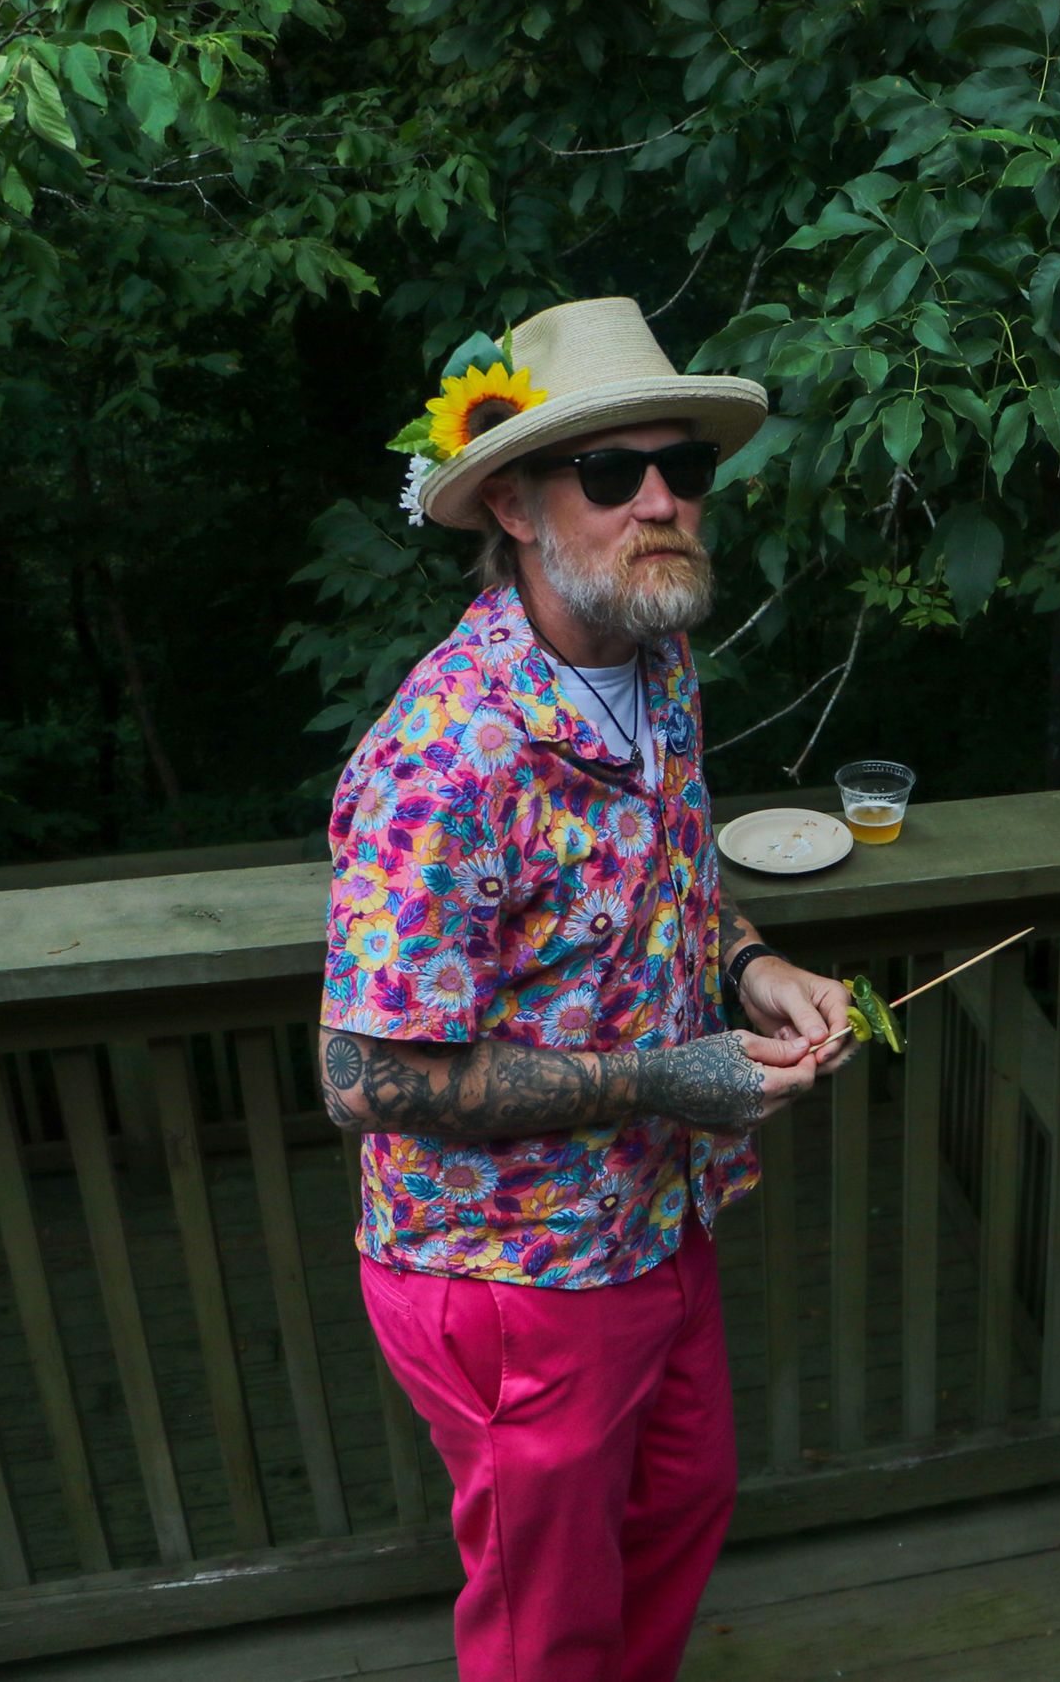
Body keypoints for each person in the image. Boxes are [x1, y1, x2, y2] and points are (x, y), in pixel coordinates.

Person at [314, 296, 853, 1682]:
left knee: (680, 1506)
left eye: (686, 468)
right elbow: (361, 1075)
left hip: (657, 1213)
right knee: (545, 1621)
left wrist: (755, 961)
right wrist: (660, 1076)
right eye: (613, 472)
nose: (663, 499)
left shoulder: (652, 654)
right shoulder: (446, 760)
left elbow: (671, 875)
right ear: (514, 500)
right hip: (508, 1270)